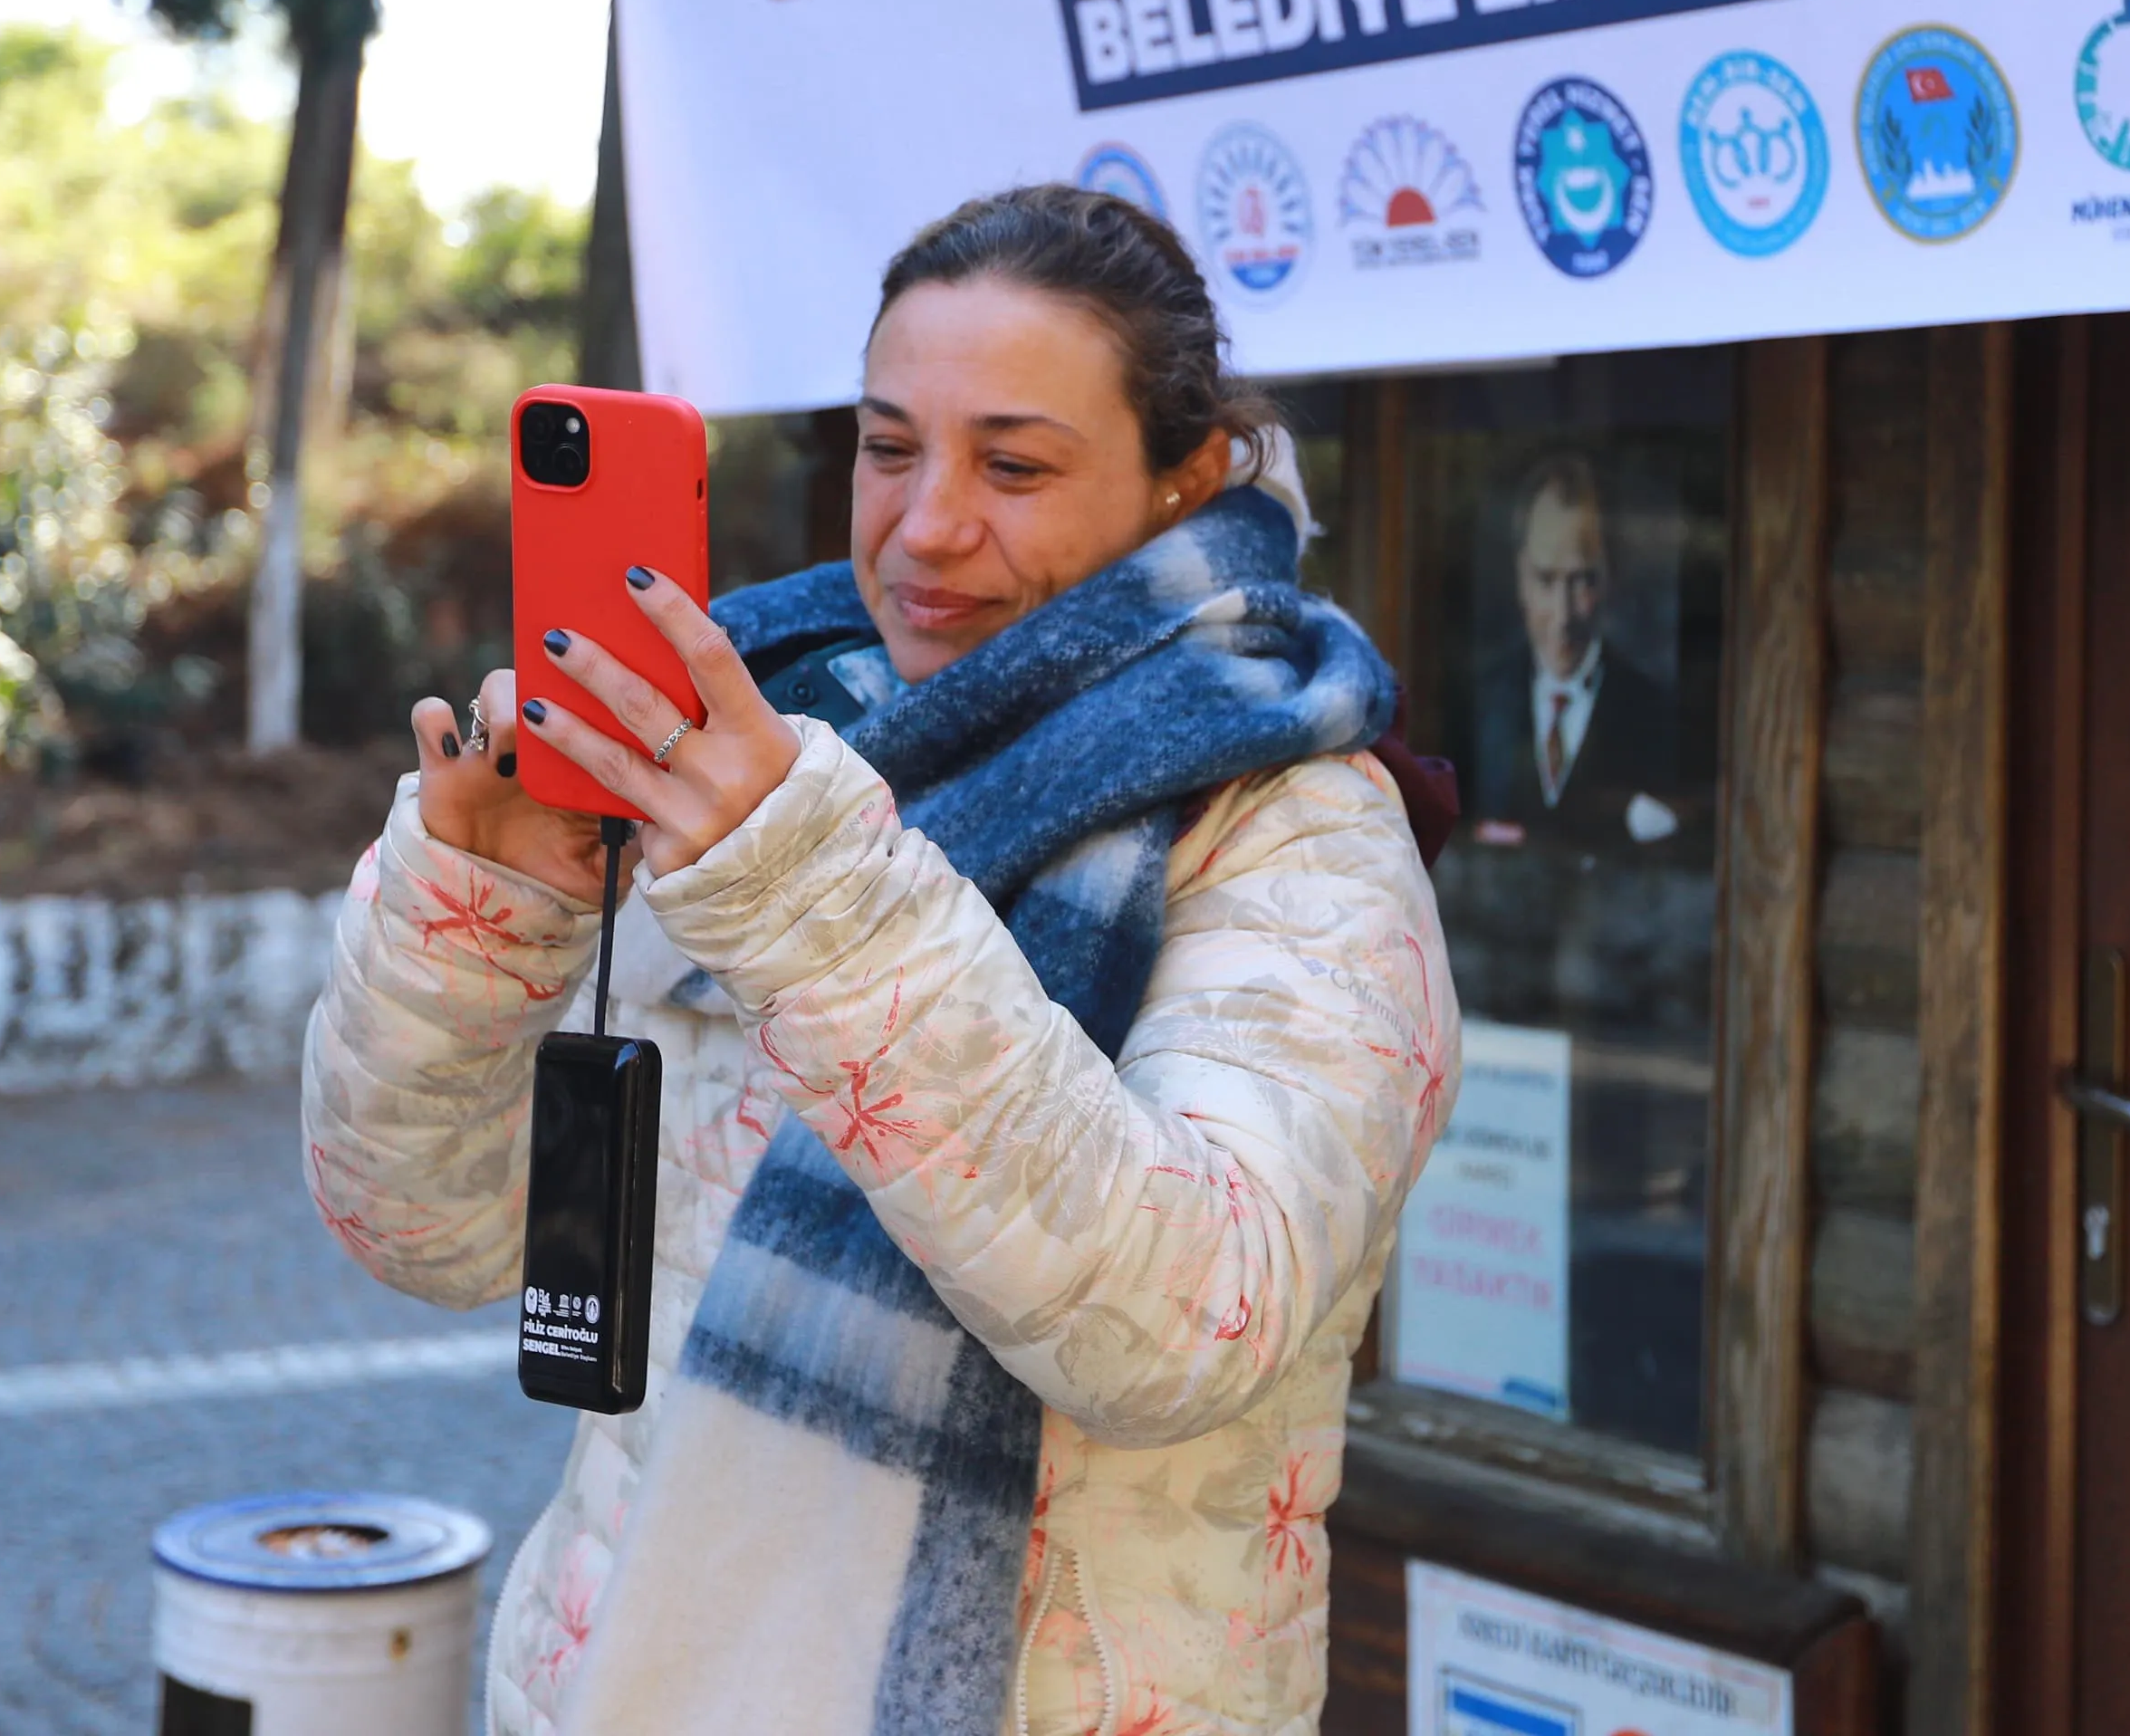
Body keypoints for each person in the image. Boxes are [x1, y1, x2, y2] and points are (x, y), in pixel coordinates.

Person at [304, 185, 1460, 1736]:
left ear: (1184, 481)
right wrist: (478, 912)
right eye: (889, 445)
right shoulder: (770, 744)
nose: (924, 526)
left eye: (1014, 463)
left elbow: (1190, 1320)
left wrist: (800, 887)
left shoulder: (1292, 826)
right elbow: (430, 1236)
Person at [1468, 450, 1687, 850]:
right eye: (1545, 579)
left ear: (1611, 579)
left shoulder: (1654, 711)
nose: (1563, 615)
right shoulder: (1477, 703)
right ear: (1520, 576)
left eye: (1582, 581)